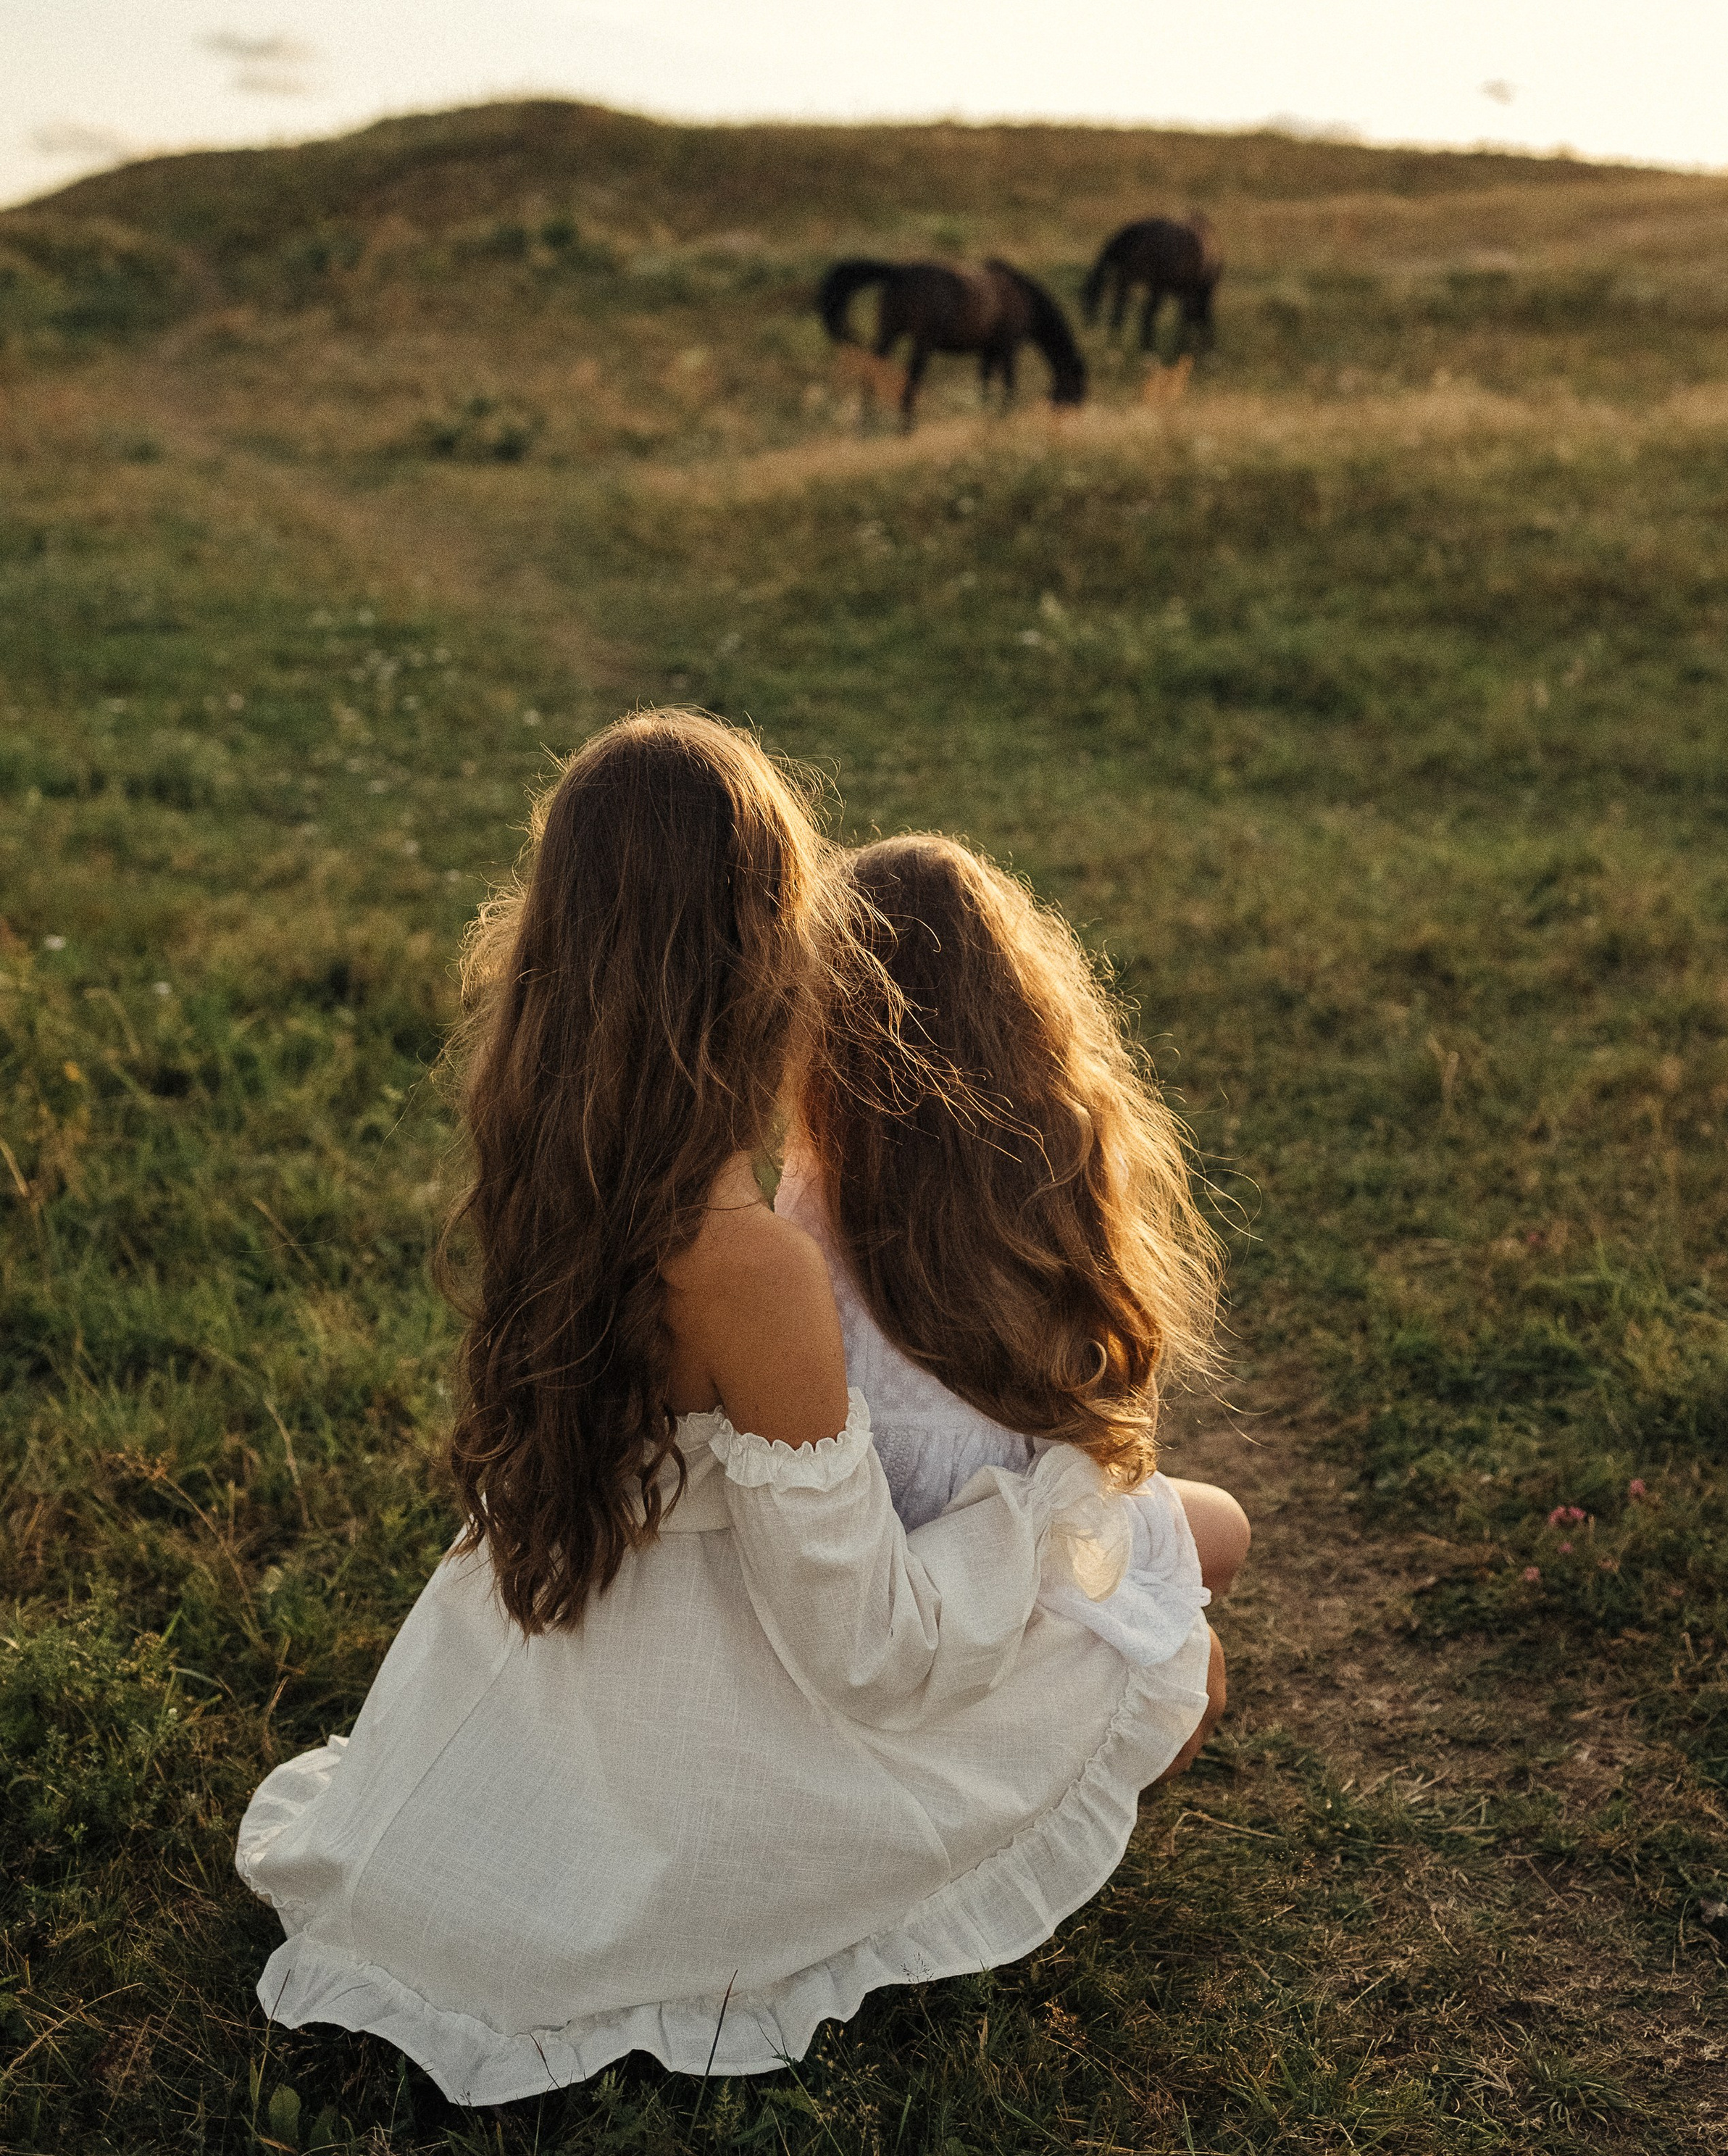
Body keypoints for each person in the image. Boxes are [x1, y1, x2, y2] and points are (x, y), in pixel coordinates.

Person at [235, 714, 1214, 2107]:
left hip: (554, 1675)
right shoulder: (749, 1265)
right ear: (764, 965)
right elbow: (869, 1654)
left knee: (1178, 1580)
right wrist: (1045, 1511)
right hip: (707, 1740)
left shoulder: (564, 1163)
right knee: (1154, 1663)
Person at [779, 831, 1250, 1771]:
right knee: (1211, 1575)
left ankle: (1047, 1709)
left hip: (906, 1585)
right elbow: (1097, 1439)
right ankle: (1053, 1711)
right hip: (996, 1581)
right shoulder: (1063, 1164)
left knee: (1216, 1541)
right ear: (1022, 1009)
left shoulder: (810, 1205)